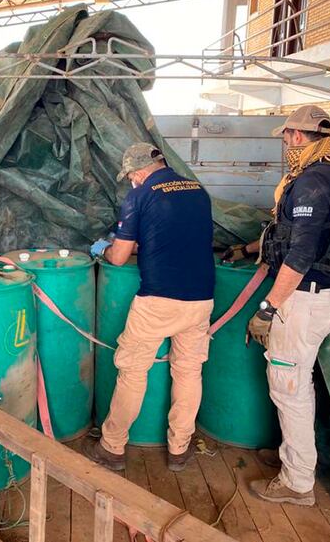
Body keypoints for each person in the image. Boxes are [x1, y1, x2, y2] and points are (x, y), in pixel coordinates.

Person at [223, 105, 330, 506]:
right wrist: (248, 248)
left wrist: (267, 308)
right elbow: (293, 235)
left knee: (290, 390)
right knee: (297, 385)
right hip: (325, 296)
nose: (284, 143)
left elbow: (300, 256)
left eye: (286, 136)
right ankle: (295, 456)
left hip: (302, 301)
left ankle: (298, 483)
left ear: (299, 136)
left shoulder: (311, 184)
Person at [84, 142, 215, 472]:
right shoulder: (198, 190)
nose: (130, 182)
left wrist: (103, 249)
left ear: (138, 171)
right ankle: (180, 449)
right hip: (201, 299)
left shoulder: (139, 195)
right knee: (188, 371)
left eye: (129, 176)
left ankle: (112, 448)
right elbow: (175, 238)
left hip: (158, 300)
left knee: (132, 370)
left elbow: (118, 256)